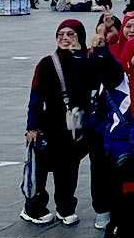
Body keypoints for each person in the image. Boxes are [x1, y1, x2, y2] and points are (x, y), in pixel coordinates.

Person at [22, 20, 94, 226]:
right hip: (49, 125)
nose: (65, 38)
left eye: (71, 34)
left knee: (69, 168)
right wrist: (32, 126)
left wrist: (79, 56)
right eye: (60, 34)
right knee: (40, 169)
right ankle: (34, 207)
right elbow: (35, 95)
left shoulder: (87, 60)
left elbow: (90, 82)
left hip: (74, 127)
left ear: (80, 36)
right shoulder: (46, 63)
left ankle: (65, 207)